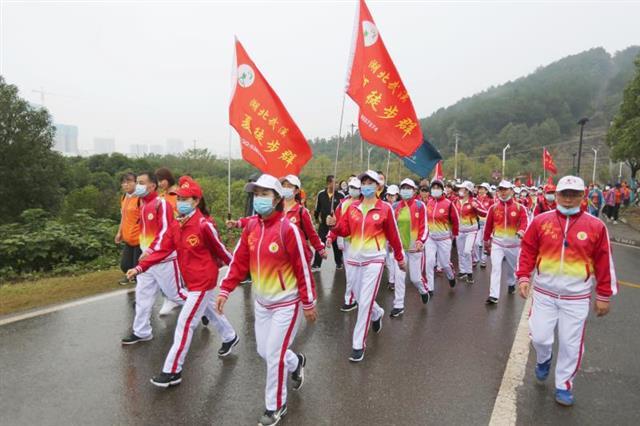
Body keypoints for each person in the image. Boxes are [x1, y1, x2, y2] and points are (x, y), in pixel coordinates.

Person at [216, 174, 317, 426]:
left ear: (277, 199)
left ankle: (275, 406)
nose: (259, 199)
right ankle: (296, 362)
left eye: (265, 194)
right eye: (256, 194)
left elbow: (301, 267)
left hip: (286, 303)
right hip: (262, 304)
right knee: (264, 351)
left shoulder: (287, 229)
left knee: (273, 355)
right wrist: (225, 289)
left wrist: (308, 302)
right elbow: (239, 261)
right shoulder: (251, 227)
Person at [126, 176, 239, 387]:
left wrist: (237, 272)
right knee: (210, 310)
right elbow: (161, 248)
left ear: (196, 201)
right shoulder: (177, 225)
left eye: (186, 199)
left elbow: (222, 251)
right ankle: (230, 336)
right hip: (191, 281)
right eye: (179, 198)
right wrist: (140, 267)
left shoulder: (204, 225)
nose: (180, 202)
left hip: (203, 281)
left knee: (185, 324)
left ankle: (172, 370)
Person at [517, 175, 617, 406]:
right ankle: (544, 359)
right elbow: (528, 250)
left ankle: (564, 385)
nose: (569, 199)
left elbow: (604, 262)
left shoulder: (596, 226)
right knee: (540, 337)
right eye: (564, 194)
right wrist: (523, 276)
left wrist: (603, 295)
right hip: (544, 293)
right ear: (557, 195)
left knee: (571, 344)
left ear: (583, 196)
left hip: (576, 297)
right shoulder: (541, 221)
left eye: (574, 194)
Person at [326, 170, 405, 362]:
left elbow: (393, 235)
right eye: (364, 182)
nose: (366, 185)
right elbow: (344, 230)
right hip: (354, 258)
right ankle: (377, 313)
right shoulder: (352, 207)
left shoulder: (385, 208)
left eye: (371, 182)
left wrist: (400, 257)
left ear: (378, 187)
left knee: (366, 299)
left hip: (374, 259)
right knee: (361, 298)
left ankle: (358, 343)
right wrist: (333, 226)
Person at [121, 172, 187, 344]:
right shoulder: (143, 205)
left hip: (163, 259)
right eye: (137, 182)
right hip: (147, 260)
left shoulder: (161, 204)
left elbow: (165, 232)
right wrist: (146, 252)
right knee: (142, 295)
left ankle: (204, 310)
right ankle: (142, 331)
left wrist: (151, 250)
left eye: (141, 182)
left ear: (152, 186)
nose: (137, 185)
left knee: (176, 295)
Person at [483, 180, 528, 304]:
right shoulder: (493, 208)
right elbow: (488, 225)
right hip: (497, 243)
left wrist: (521, 231)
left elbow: (525, 222)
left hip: (514, 244)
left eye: (506, 189)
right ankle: (493, 295)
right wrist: (486, 240)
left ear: (512, 191)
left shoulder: (520, 207)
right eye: (501, 190)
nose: (503, 192)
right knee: (496, 268)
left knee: (512, 268)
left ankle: (511, 283)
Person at [389, 178, 429, 317]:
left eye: (408, 188)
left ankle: (423, 290)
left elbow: (424, 226)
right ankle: (398, 305)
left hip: (415, 248)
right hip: (399, 249)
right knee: (399, 277)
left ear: (414, 190)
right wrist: (389, 243)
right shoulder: (394, 207)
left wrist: (420, 240)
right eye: (403, 187)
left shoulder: (419, 206)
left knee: (415, 278)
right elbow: (391, 228)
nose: (405, 190)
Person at [424, 178, 459, 295]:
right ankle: (430, 288)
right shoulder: (429, 202)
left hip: (444, 238)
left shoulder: (449, 204)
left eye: (438, 188)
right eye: (433, 188)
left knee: (444, 264)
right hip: (431, 238)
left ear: (442, 190)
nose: (435, 190)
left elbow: (455, 220)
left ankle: (451, 276)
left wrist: (454, 234)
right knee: (429, 262)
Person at [335, 177, 362, 312]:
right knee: (350, 272)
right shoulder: (343, 203)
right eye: (351, 187)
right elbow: (337, 221)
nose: (353, 190)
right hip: (347, 242)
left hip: (362, 242)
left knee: (359, 272)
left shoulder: (365, 203)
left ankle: (356, 298)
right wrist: (331, 236)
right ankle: (351, 299)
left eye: (356, 188)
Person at [455, 181, 487, 283]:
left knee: (467, 251)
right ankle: (462, 271)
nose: (460, 190)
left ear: (468, 191)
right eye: (460, 189)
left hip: (471, 231)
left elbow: (485, 213)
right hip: (459, 230)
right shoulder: (456, 201)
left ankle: (469, 273)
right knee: (460, 252)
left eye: (462, 189)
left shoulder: (474, 201)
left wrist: (476, 208)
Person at [311, 175, 344, 271]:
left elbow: (344, 209)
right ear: (328, 183)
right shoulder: (321, 194)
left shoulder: (341, 195)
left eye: (337, 182)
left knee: (336, 245)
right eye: (335, 182)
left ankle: (339, 263)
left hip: (336, 225)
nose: (337, 184)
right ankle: (317, 264)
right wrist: (317, 219)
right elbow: (317, 209)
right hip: (324, 225)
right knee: (320, 243)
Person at [115, 172, 141, 285]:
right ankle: (132, 277)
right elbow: (123, 217)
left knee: (138, 265)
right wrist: (119, 232)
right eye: (123, 182)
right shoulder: (124, 197)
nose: (126, 185)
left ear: (136, 183)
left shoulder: (141, 198)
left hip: (139, 238)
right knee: (125, 265)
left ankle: (138, 280)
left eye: (129, 182)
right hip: (128, 237)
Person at [384, 184, 400, 290]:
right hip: (383, 238)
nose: (390, 197)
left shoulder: (399, 207)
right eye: (388, 195)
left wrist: (391, 241)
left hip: (395, 238)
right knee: (388, 260)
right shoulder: (384, 206)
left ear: (397, 196)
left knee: (393, 259)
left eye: (392, 195)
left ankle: (393, 281)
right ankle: (392, 280)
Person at [476, 183, 493, 268]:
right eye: (480, 188)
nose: (481, 190)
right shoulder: (476, 199)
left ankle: (483, 260)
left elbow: (491, 213)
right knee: (475, 243)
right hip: (477, 223)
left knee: (484, 243)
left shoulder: (490, 200)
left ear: (487, 190)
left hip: (487, 224)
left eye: (483, 189)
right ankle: (475, 259)